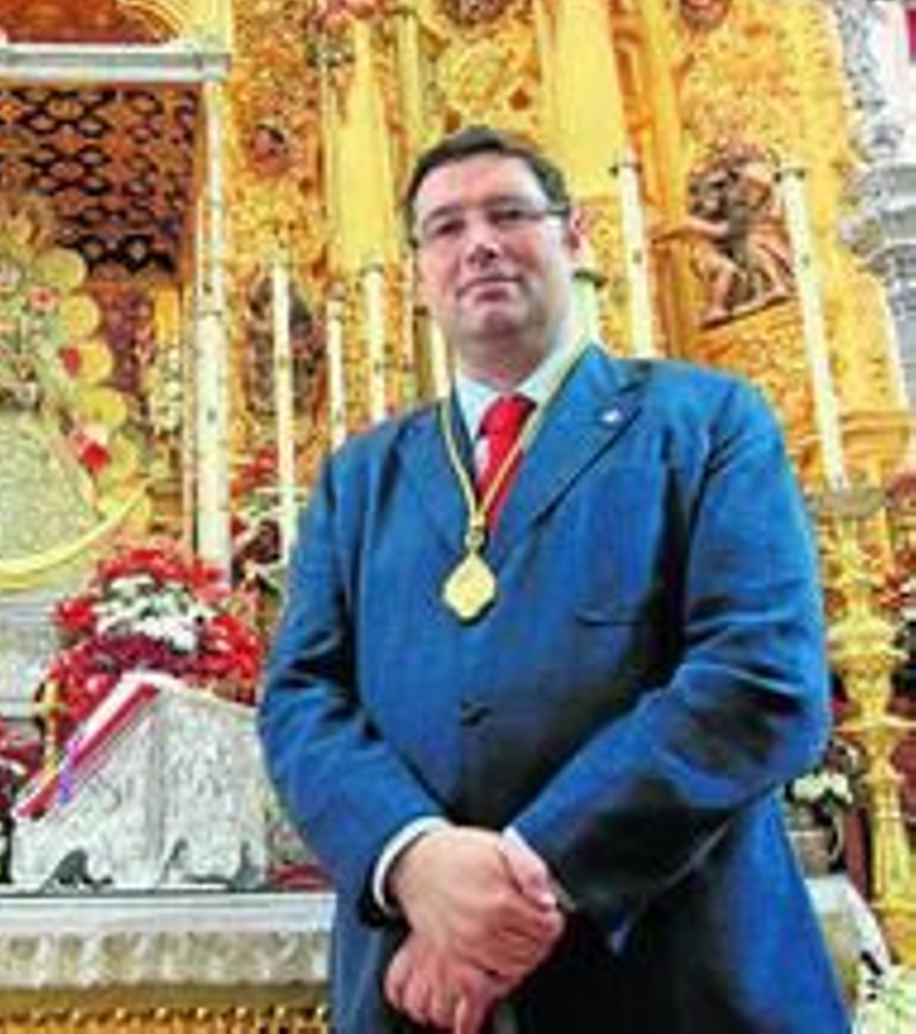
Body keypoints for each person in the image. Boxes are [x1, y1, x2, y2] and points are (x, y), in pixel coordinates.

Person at [258, 126, 847, 1032]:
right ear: (419, 274)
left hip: (676, 967)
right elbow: (302, 701)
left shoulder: (706, 421)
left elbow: (759, 678)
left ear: (573, 241)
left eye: (507, 214)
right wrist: (412, 859)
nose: (479, 243)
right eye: (446, 228)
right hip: (419, 991)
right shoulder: (360, 477)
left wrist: (527, 877)